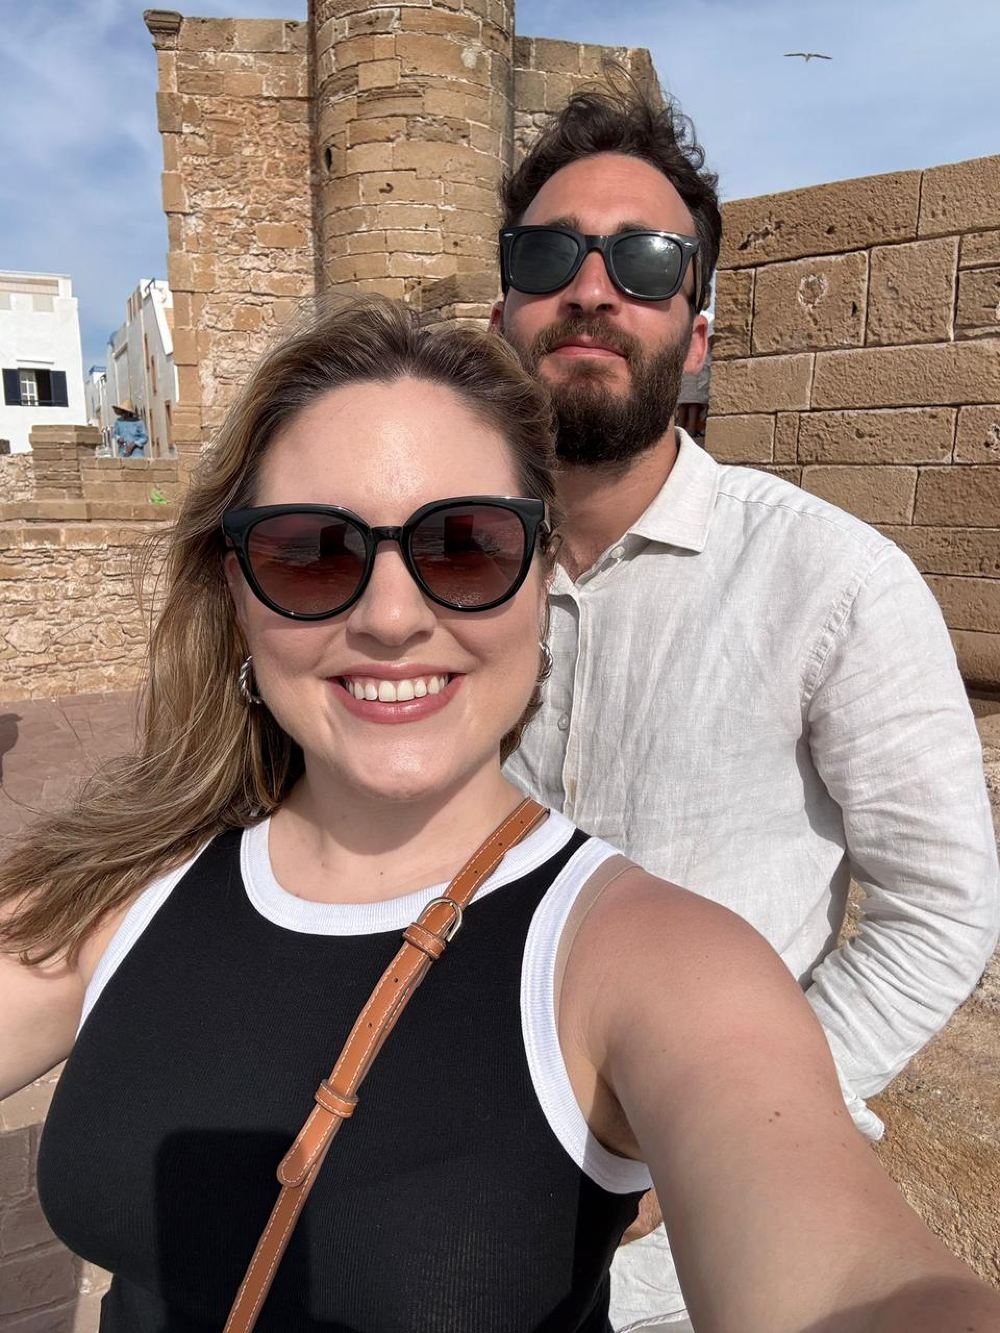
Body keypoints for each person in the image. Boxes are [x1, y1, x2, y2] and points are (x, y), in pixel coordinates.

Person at [2, 296, 999, 1333]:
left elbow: (853, 1283)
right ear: (238, 592)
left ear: (541, 575)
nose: (392, 617)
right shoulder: (132, 882)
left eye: (466, 546)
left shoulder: (647, 960)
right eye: (311, 552)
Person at [491, 85, 1000, 1331]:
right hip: (461, 1191)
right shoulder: (437, 570)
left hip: (686, 1262)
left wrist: (725, 1129)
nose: (592, 290)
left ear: (697, 333)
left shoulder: (833, 582)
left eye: (643, 262)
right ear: (501, 315)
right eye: (548, 256)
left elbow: (940, 905)